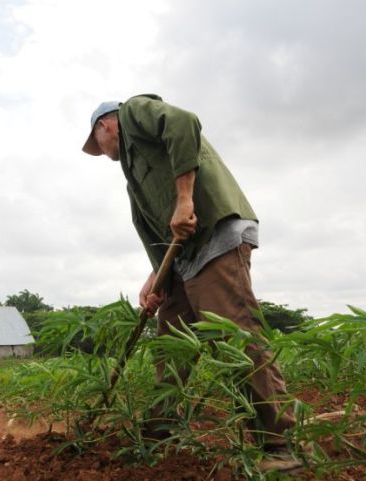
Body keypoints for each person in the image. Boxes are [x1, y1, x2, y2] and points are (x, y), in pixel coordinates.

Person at [81, 94, 301, 472]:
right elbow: (159, 236)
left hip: (213, 236)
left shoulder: (135, 113)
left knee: (234, 335)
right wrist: (156, 282)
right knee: (171, 337)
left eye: (96, 144)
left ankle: (278, 446)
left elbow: (184, 123)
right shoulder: (134, 177)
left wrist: (185, 200)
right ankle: (159, 433)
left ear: (105, 126)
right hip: (185, 257)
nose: (100, 153)